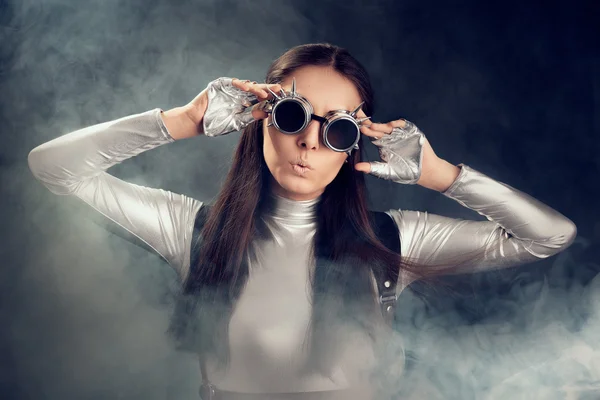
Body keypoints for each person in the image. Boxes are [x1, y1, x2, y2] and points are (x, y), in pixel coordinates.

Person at [27, 43, 577, 399]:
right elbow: (53, 167)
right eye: (293, 116)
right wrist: (182, 121)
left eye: (337, 129)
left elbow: (549, 236)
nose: (311, 141)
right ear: (259, 121)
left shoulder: (389, 239)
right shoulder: (194, 231)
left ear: (352, 145)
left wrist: (441, 175)